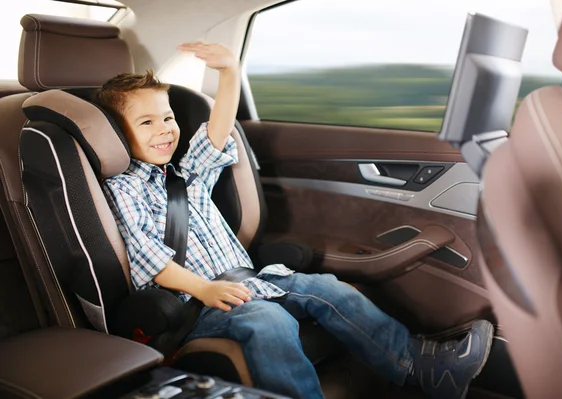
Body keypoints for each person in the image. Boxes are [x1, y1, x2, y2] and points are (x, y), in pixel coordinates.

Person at [98, 41, 493, 399]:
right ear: (119, 134)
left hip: (250, 280)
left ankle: (420, 366)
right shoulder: (125, 189)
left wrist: (230, 71)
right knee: (268, 320)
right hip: (195, 306)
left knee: (330, 288)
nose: (165, 130)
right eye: (147, 122)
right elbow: (149, 258)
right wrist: (204, 290)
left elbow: (216, 133)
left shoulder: (184, 175)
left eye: (167, 118)